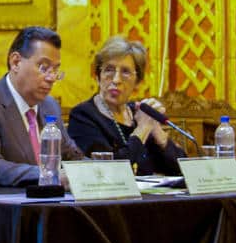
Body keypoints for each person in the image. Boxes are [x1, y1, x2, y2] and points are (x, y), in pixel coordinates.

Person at [0, 26, 85, 188]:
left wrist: (100, 172)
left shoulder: (50, 106)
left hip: (47, 205)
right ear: (16, 62)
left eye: (56, 70)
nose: (51, 78)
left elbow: (72, 156)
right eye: (44, 68)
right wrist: (49, 175)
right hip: (2, 208)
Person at [67, 36, 186, 175]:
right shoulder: (83, 116)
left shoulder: (139, 114)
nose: (116, 80)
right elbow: (109, 171)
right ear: (98, 76)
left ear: (137, 82)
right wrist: (142, 129)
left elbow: (182, 170)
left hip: (151, 196)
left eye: (125, 72)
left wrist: (157, 132)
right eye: (109, 70)